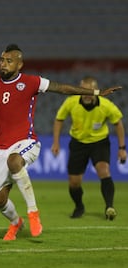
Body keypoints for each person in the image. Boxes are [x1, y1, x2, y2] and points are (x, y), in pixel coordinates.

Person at [0, 44, 122, 241]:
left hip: (27, 141)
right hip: (2, 147)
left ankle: (33, 213)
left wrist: (95, 93)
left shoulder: (32, 82)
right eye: (2, 60)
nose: (3, 64)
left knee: (14, 161)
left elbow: (61, 88)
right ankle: (16, 223)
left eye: (9, 61)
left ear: (19, 64)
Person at [51, 76, 126, 220]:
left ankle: (109, 207)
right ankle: (79, 206)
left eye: (89, 90)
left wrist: (122, 147)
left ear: (95, 91)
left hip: (99, 142)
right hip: (78, 143)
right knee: (74, 182)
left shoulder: (106, 105)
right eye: (83, 90)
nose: (86, 94)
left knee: (104, 171)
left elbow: (118, 123)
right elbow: (59, 119)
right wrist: (56, 142)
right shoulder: (71, 102)